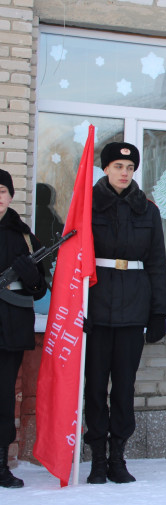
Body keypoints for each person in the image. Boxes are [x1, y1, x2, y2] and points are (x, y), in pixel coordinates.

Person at [84, 142, 166, 484]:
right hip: (96, 307)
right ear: (105, 169)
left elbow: (157, 264)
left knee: (124, 386)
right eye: (118, 166)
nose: (124, 172)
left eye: (129, 167)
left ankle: (118, 455)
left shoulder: (147, 210)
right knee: (94, 388)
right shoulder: (87, 206)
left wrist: (158, 312)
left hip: (134, 308)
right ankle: (98, 459)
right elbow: (73, 262)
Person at [0, 169, 47, 488]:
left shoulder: (26, 237)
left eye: (2, 190)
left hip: (10, 328)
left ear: (11, 195)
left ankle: (1, 464)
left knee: (4, 397)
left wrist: (27, 274)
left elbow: (40, 289)